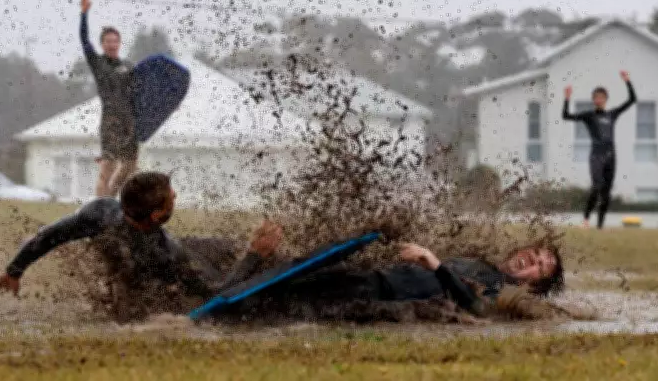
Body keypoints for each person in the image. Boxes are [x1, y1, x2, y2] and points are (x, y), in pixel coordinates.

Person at [0, 171, 282, 300]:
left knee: (226, 244)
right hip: (173, 270)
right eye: (172, 199)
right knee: (239, 256)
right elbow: (216, 293)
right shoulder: (165, 254)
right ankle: (264, 254)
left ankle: (254, 250)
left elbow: (47, 236)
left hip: (178, 248)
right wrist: (255, 255)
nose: (175, 197)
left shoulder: (100, 211)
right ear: (155, 215)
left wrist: (13, 271)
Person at [254, 242, 564, 318]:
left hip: (375, 295)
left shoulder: (499, 288)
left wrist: (435, 263)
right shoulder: (482, 263)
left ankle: (244, 303)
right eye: (535, 252)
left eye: (539, 266)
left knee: (285, 302)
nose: (531, 259)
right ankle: (253, 275)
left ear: (533, 285)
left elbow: (476, 307)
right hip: (371, 279)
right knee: (286, 287)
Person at [80, 0, 139, 198]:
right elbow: (84, 41)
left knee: (130, 166)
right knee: (108, 168)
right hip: (110, 121)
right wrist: (84, 14)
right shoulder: (98, 63)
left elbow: (142, 92)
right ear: (103, 44)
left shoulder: (129, 67)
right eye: (108, 41)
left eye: (115, 41)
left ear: (120, 43)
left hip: (129, 122)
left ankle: (110, 202)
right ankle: (100, 211)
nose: (112, 44)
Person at [562, 71, 636, 229]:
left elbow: (632, 100)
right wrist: (567, 98)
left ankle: (600, 226)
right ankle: (586, 219)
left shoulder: (612, 114)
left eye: (602, 97)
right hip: (597, 156)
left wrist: (627, 81)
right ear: (593, 100)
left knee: (606, 193)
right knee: (596, 187)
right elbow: (566, 116)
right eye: (596, 97)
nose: (599, 100)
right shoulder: (589, 116)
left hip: (611, 156)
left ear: (606, 99)